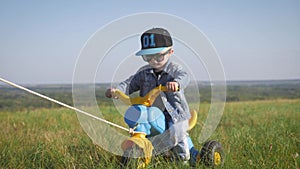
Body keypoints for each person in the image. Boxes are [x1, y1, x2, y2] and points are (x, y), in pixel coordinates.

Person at [105, 27, 199, 165]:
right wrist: (117, 91)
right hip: (151, 111)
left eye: (159, 56)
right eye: (148, 57)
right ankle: (146, 152)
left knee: (176, 132)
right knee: (143, 127)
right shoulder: (143, 72)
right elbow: (130, 83)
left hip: (174, 113)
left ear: (170, 52)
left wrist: (176, 83)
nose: (154, 61)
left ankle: (183, 159)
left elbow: (184, 77)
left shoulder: (175, 69)